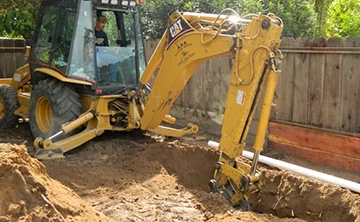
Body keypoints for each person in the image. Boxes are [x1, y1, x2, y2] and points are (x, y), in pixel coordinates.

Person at [95, 15, 118, 82]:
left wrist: (114, 51)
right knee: (97, 60)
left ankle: (113, 80)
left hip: (102, 54)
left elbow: (106, 47)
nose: (103, 25)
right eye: (102, 23)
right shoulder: (92, 33)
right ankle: (98, 81)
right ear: (97, 22)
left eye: (104, 23)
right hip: (93, 54)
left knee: (114, 59)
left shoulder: (104, 34)